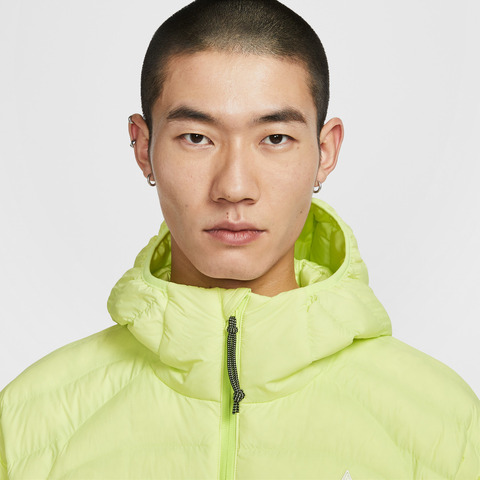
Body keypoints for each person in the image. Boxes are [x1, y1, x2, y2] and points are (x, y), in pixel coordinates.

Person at [1, 0, 479, 478]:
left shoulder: (447, 426)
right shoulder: (27, 425)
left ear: (325, 151)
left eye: (275, 138)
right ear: (144, 148)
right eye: (196, 138)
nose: (233, 187)